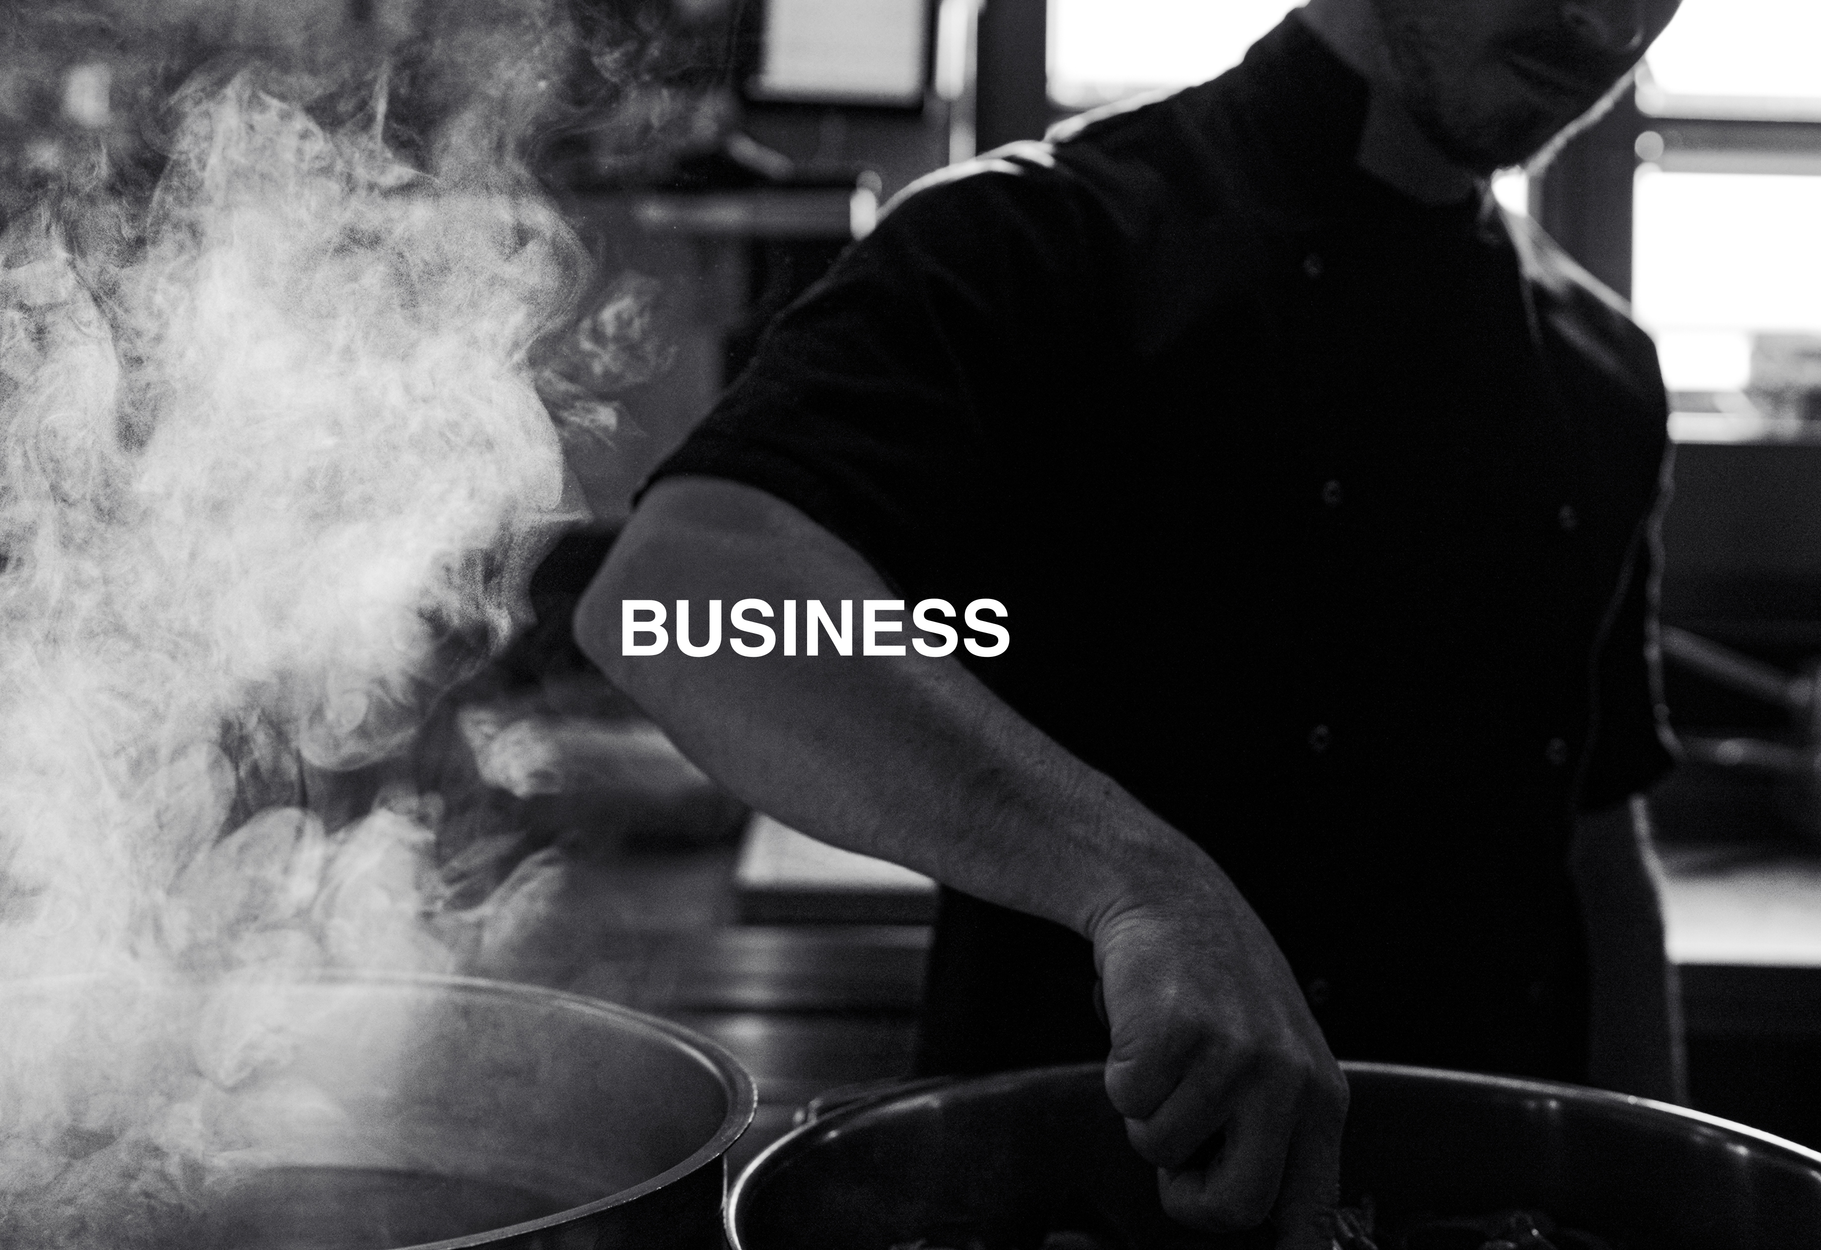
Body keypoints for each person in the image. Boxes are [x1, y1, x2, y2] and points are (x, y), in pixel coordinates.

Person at [575, 0, 1688, 1243]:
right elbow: (680, 601)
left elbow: (1596, 843)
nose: (1604, 19)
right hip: (1065, 1205)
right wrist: (1140, 887)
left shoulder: (1606, 370)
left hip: (1478, 1218)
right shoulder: (1035, 236)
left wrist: (1657, 1195)